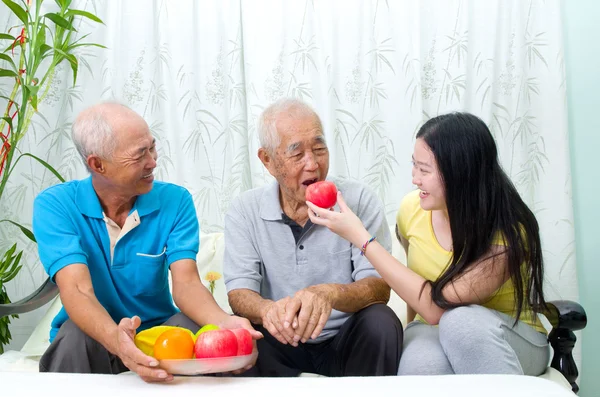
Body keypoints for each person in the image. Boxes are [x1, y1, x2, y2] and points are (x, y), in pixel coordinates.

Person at [307, 112, 550, 376]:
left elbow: (438, 308)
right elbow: (416, 291)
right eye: (414, 165)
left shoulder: (510, 234)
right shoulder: (411, 210)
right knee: (421, 366)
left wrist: (360, 237)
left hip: (509, 336)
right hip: (432, 328)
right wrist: (413, 331)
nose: (415, 178)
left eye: (424, 170)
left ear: (461, 174)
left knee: (459, 321)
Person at [33, 102, 261, 381]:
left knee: (191, 326)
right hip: (94, 334)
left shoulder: (176, 201)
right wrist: (119, 342)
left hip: (158, 333)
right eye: (140, 154)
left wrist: (226, 324)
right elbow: (77, 289)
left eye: (152, 147)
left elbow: (187, 283)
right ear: (98, 164)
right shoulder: (55, 205)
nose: (153, 161)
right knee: (73, 335)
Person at [223, 98, 403, 377]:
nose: (313, 164)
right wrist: (269, 310)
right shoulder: (244, 210)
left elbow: (379, 288)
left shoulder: (357, 200)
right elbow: (239, 294)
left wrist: (329, 294)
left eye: (319, 149)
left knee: (381, 321)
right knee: (245, 335)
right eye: (297, 154)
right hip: (282, 341)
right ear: (267, 160)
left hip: (345, 338)